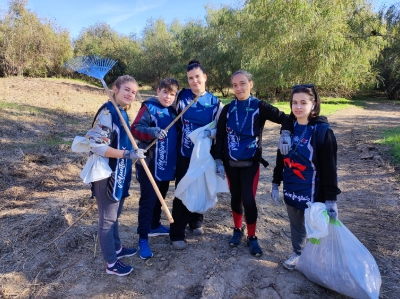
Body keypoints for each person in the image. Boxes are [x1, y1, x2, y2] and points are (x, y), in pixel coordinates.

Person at [214, 70, 293, 257]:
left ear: (251, 84)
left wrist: (286, 133)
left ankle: (252, 236)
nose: (238, 88)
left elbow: (286, 118)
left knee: (248, 199)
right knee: (235, 197)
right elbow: (220, 135)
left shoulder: (260, 106)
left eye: (242, 83)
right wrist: (218, 159)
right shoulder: (228, 108)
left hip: (250, 162)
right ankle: (237, 229)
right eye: (234, 85)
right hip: (230, 163)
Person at [270, 84, 341, 269]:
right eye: (294, 102)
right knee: (296, 227)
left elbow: (330, 168)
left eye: (303, 102)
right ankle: (298, 254)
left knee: (316, 229)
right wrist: (276, 183)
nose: (298, 107)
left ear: (314, 104)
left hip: (313, 194)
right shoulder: (288, 131)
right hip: (292, 191)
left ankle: (318, 260)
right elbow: (280, 159)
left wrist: (331, 199)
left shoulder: (322, 132)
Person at [86, 75, 146, 276]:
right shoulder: (107, 113)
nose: (130, 94)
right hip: (106, 175)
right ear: (115, 89)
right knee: (107, 219)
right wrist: (126, 154)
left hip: (120, 173)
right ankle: (111, 263)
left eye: (134, 92)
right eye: (127, 90)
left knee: (116, 215)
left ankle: (117, 248)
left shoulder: (121, 112)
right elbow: (96, 146)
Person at [169, 60, 224, 250]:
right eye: (190, 78)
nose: (194, 81)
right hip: (184, 153)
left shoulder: (215, 103)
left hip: (203, 154)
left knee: (202, 187)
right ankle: (176, 232)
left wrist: (211, 134)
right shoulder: (181, 96)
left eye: (197, 77)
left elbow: (221, 129)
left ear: (205, 77)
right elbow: (170, 115)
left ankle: (196, 222)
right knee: (183, 189)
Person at [131, 78, 180, 259]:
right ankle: (143, 237)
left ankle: (154, 225)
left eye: (172, 94)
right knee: (148, 200)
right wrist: (153, 131)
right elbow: (135, 128)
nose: (168, 97)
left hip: (166, 163)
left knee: (161, 195)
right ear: (158, 91)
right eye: (165, 92)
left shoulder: (174, 110)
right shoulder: (149, 107)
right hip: (149, 162)